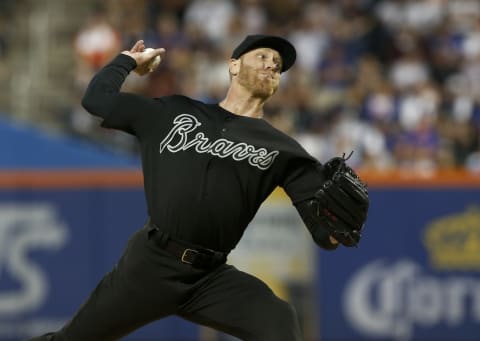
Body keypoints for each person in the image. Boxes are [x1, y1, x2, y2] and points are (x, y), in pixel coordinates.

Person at [29, 34, 365, 341]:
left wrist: (337, 228)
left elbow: (325, 233)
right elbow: (96, 100)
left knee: (278, 318)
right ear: (233, 65)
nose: (271, 65)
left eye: (278, 66)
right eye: (263, 56)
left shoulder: (285, 150)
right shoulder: (173, 112)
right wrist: (128, 61)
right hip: (150, 266)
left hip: (210, 278)